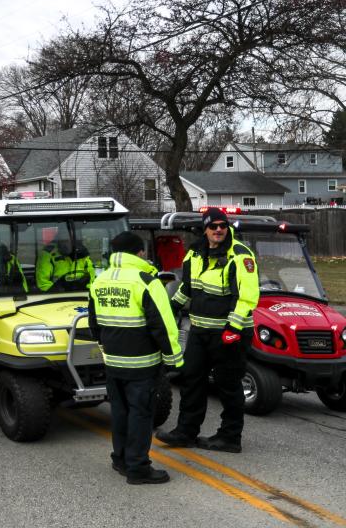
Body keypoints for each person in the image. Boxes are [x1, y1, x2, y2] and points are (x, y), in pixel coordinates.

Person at [157, 207, 259, 454]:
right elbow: (187, 288)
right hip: (200, 331)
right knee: (191, 381)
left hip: (229, 334)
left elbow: (248, 296)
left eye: (223, 226)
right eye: (213, 226)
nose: (219, 230)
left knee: (228, 386)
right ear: (205, 229)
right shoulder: (194, 253)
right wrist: (170, 308)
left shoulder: (240, 256)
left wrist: (233, 328)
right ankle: (185, 432)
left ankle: (230, 437)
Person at [89, 231, 184, 485]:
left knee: (119, 413)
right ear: (139, 252)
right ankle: (138, 468)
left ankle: (119, 459)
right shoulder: (146, 280)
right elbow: (162, 324)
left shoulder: (101, 280)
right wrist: (174, 358)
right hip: (142, 365)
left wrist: (105, 346)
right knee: (141, 415)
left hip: (113, 363)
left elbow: (94, 323)